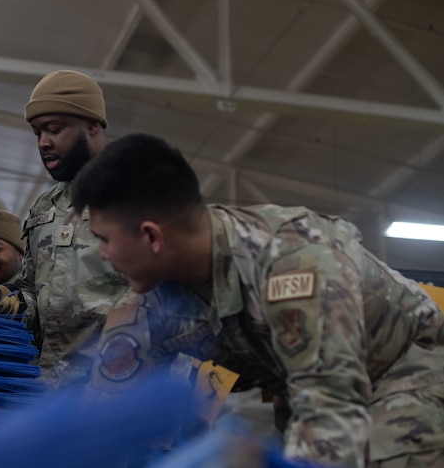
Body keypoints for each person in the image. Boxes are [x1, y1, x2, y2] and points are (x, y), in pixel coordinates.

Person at [71, 132, 444, 468]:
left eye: (104, 240)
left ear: (152, 237)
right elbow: (106, 418)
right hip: (300, 384)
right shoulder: (147, 303)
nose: (102, 255)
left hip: (406, 367)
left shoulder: (294, 265)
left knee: (381, 451)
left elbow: (331, 409)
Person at [0, 69, 141, 389]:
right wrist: (12, 304)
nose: (43, 143)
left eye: (54, 130)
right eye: (37, 132)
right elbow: (34, 288)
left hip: (116, 396)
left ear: (92, 124)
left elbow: (161, 296)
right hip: (49, 390)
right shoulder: (46, 206)